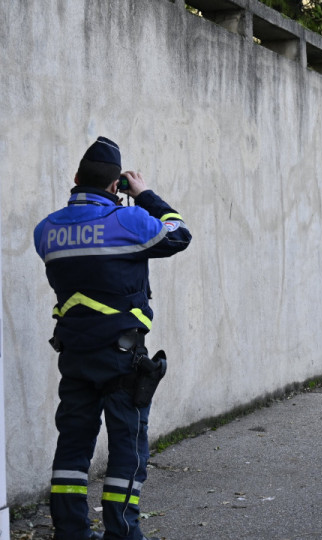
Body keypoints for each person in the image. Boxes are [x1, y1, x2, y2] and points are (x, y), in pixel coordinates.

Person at [34, 137, 191, 540]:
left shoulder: (46, 230)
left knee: (72, 449)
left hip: (74, 357)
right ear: (115, 186)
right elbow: (178, 233)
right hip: (122, 360)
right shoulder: (129, 222)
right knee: (126, 451)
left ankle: (70, 532)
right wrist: (144, 194)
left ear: (74, 179)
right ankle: (122, 533)